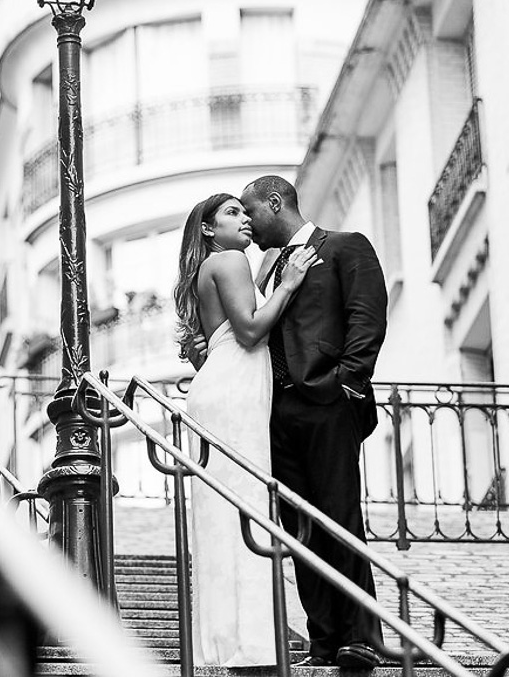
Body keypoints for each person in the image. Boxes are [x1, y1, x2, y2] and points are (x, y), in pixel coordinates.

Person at [239, 174, 388, 669]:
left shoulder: (345, 247)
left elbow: (367, 318)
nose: (248, 225)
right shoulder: (264, 273)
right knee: (298, 529)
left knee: (339, 519)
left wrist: (346, 384)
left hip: (327, 403)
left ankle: (363, 636)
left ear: (274, 203)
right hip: (275, 414)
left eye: (251, 213)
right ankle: (324, 641)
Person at [173, 192, 318, 667]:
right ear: (209, 230)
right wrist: (289, 284)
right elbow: (252, 330)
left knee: (225, 514)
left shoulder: (213, 268)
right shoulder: (230, 258)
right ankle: (254, 642)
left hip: (221, 384)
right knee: (249, 507)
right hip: (234, 390)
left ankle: (233, 639)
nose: (245, 220)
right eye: (232, 213)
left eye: (244, 210)